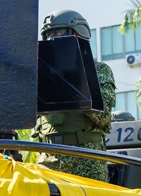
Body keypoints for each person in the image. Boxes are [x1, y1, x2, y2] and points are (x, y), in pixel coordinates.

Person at [30, 10, 118, 182]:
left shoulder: (99, 70)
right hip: (47, 160)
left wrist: (77, 81)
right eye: (47, 35)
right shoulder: (39, 74)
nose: (51, 40)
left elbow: (104, 117)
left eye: (57, 33)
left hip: (86, 160)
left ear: (77, 34)